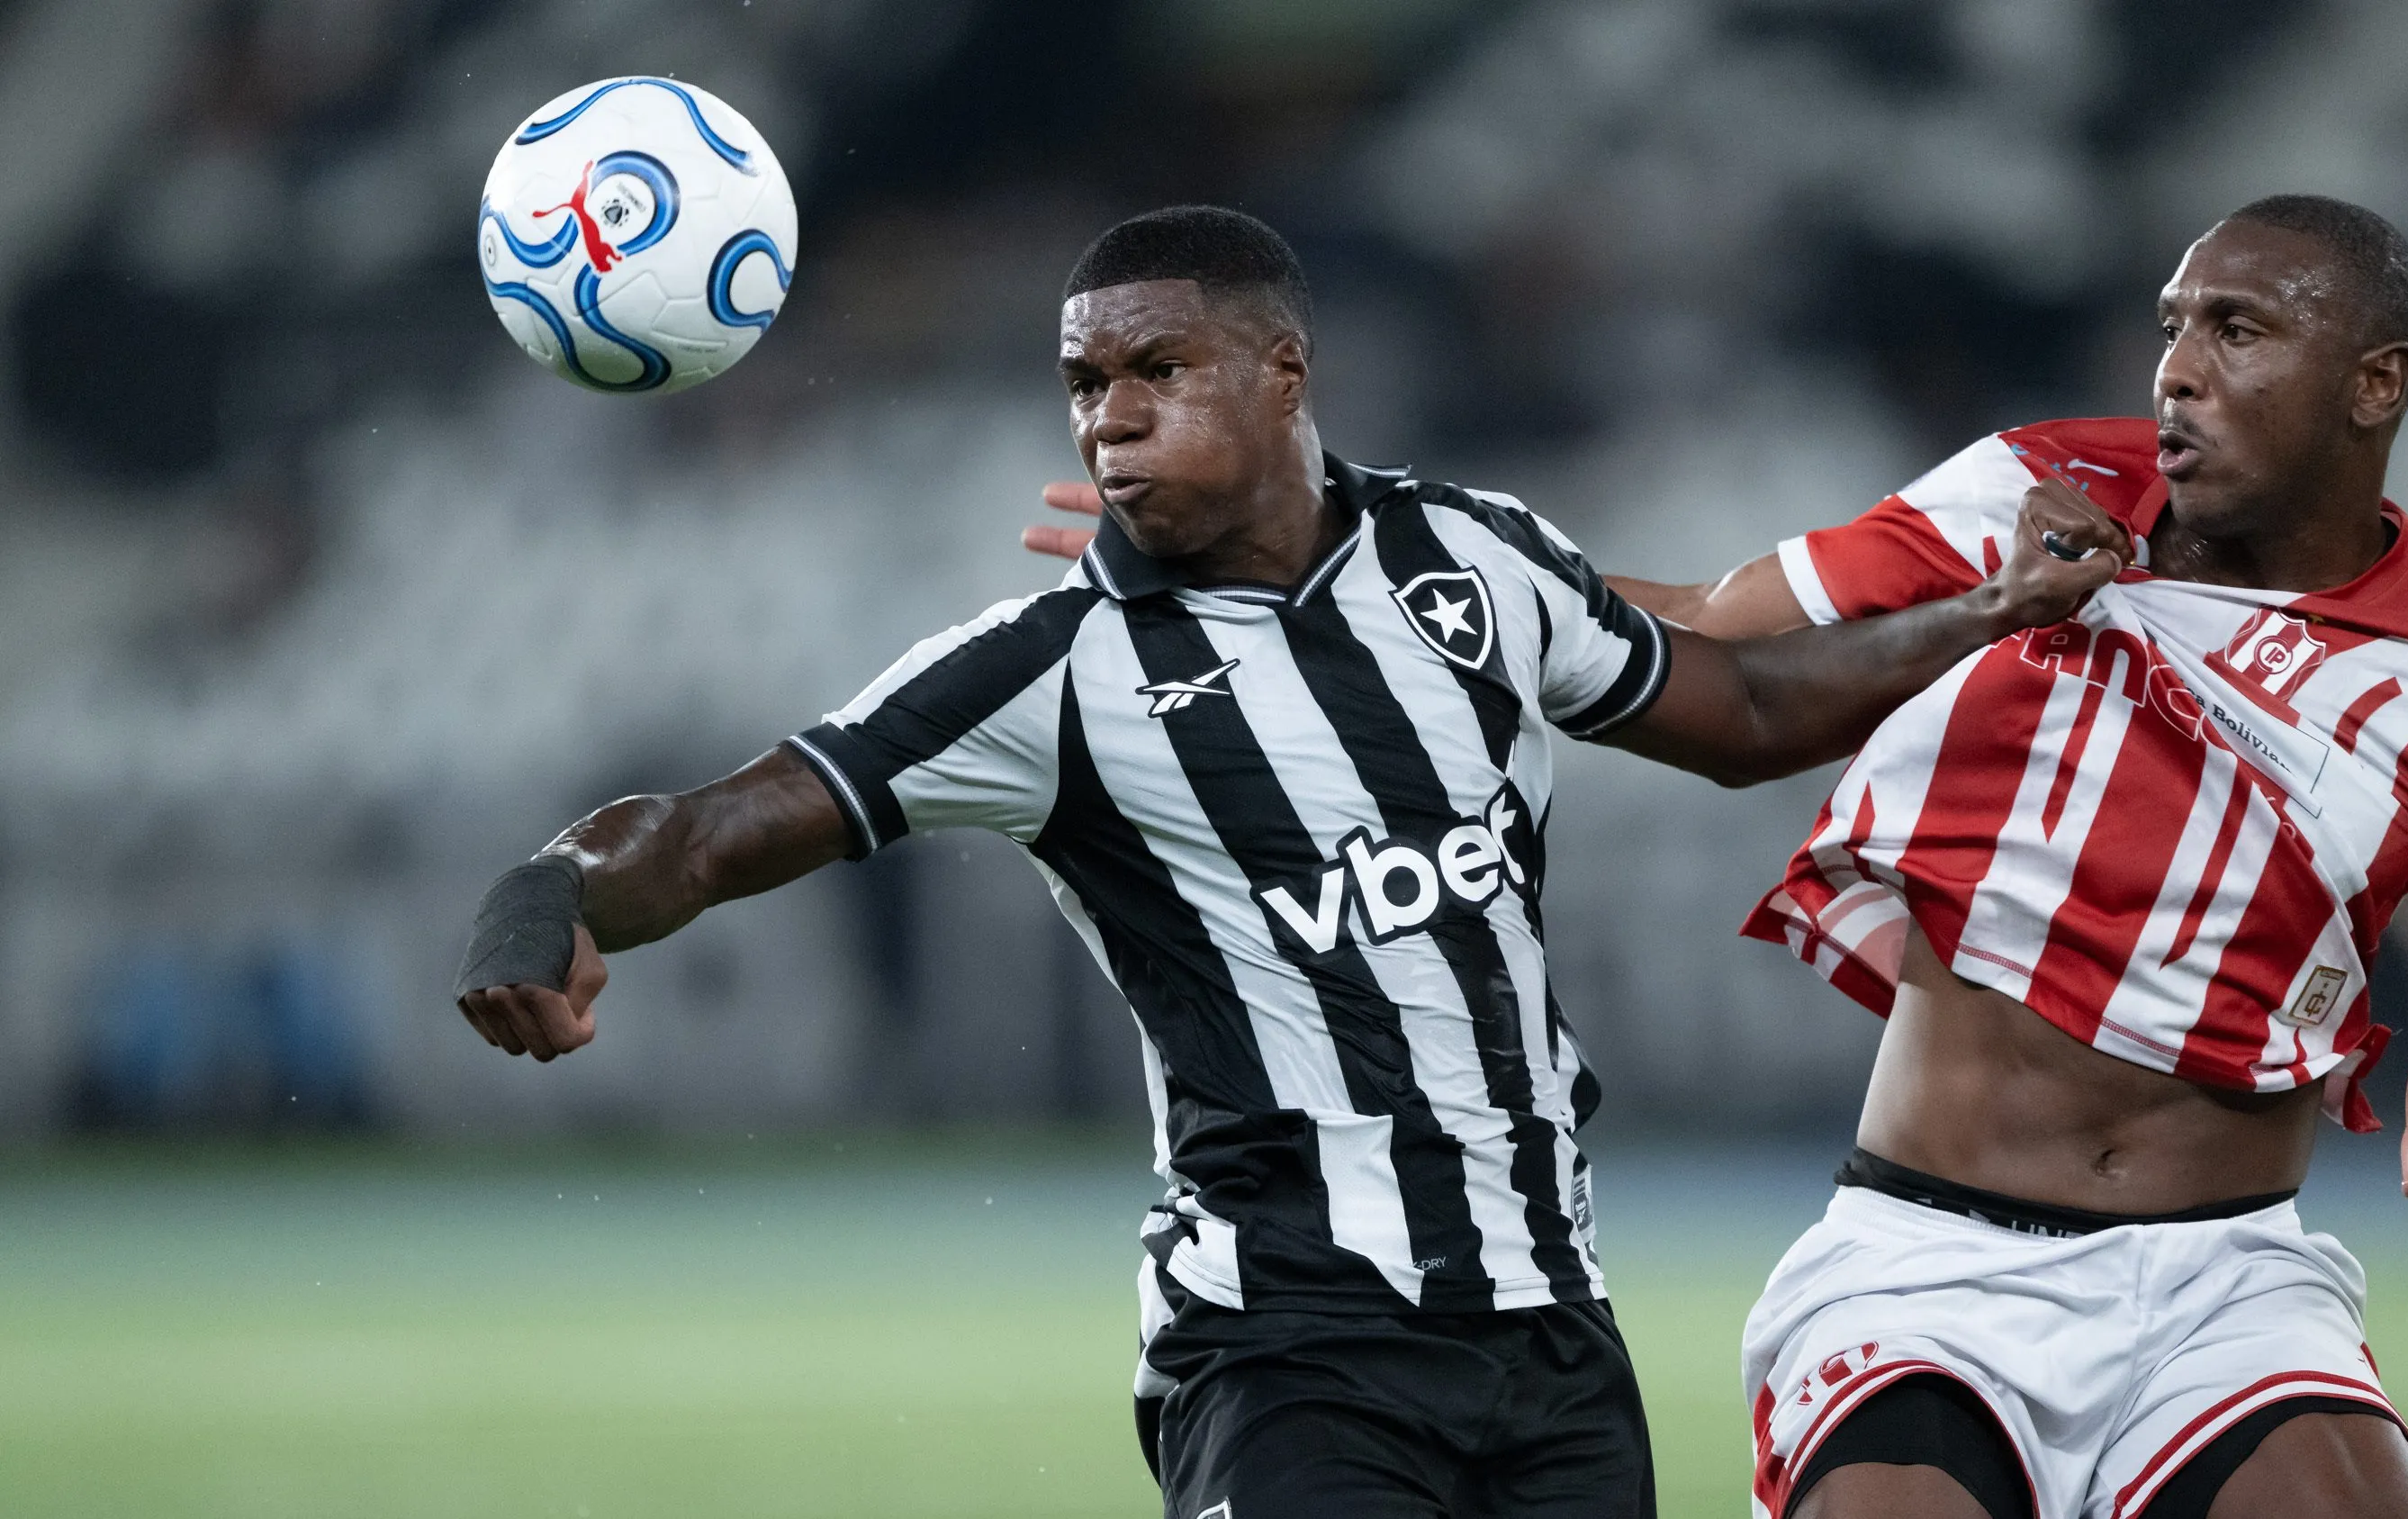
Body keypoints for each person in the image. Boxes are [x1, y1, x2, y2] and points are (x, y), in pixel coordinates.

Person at [451, 205, 2120, 1519]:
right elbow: (709, 827)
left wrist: (1991, 614)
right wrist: (546, 892)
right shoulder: (1043, 675)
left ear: (1285, 372)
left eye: (1156, 371)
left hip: (1552, 1333)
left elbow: (1743, 705)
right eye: (1086, 387)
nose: (1110, 419)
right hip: (1285, 1347)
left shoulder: (1472, 558)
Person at [1621, 198, 2408, 1519]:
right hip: (1927, 1266)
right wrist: (1437, 580)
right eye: (2172, 326)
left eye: (2235, 328)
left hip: (2230, 1290)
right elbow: (1708, 630)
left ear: (2376, 383)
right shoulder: (2038, 498)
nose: (2177, 369)